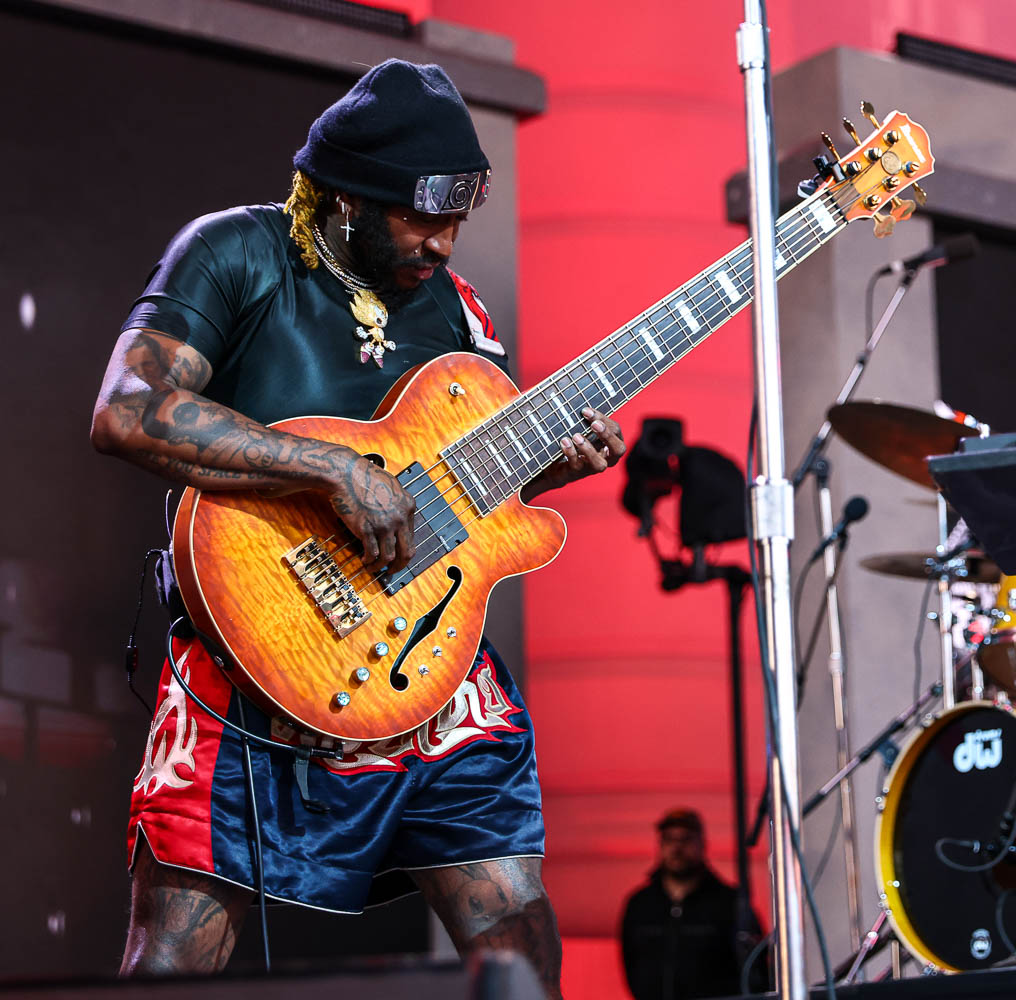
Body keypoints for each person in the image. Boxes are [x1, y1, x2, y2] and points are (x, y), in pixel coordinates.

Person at [90, 60, 625, 996]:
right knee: (175, 958)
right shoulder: (236, 252)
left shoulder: (459, 310)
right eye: (419, 221)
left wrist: (549, 466)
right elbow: (128, 411)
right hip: (259, 651)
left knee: (518, 930)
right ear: (346, 197)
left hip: (426, 659)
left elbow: (458, 496)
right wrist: (333, 468)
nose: (442, 243)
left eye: (456, 221)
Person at [619, 809, 766, 1000]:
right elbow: (631, 962)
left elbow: (756, 968)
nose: (677, 847)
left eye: (686, 839)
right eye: (669, 839)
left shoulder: (730, 904)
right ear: (660, 845)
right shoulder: (640, 905)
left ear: (702, 844)